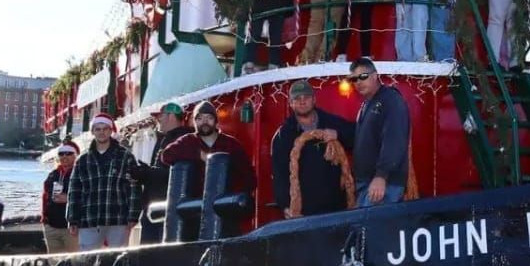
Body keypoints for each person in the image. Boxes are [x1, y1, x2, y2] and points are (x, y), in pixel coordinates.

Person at [270, 80, 356, 217]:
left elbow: (357, 136)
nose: (302, 101)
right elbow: (279, 174)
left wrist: (338, 135)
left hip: (336, 206)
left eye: (306, 97)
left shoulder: (331, 122)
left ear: (314, 100)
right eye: (297, 99)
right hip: (305, 210)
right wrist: (286, 205)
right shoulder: (283, 136)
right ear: (291, 103)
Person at [67, 113, 142, 250]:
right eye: (98, 129)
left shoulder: (125, 156)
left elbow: (134, 187)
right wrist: (72, 218)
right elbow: (74, 190)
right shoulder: (82, 160)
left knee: (119, 259)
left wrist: (133, 215)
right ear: (93, 131)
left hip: (118, 218)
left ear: (111, 130)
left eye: (105, 128)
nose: (101, 132)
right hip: (89, 218)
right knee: (87, 261)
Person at [160, 101, 256, 199]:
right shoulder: (188, 141)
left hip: (224, 206)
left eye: (209, 118)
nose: (205, 122)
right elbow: (166, 155)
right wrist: (199, 155)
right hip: (195, 206)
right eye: (200, 118)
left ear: (215, 121)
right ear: (194, 122)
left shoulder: (230, 144)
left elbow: (250, 178)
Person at [348, 57, 410, 206]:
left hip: (383, 186)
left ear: (375, 75)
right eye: (354, 79)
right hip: (367, 184)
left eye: (363, 76)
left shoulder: (391, 100)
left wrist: (381, 176)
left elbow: (394, 140)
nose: (358, 82)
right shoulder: (366, 104)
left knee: (376, 229)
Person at [128, 102, 190, 244]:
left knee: (155, 254)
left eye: (161, 116)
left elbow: (175, 174)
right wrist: (143, 173)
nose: (159, 120)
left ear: (171, 116)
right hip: (156, 208)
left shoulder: (182, 140)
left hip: (166, 210)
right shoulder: (165, 139)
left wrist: (146, 172)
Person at [41, 141, 80, 253]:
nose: (64, 156)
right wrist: (44, 219)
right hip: (51, 226)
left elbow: (90, 198)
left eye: (68, 153)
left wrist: (68, 199)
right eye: (61, 154)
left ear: (75, 155)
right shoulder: (53, 174)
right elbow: (45, 196)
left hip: (72, 228)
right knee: (54, 262)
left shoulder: (82, 174)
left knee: (74, 263)